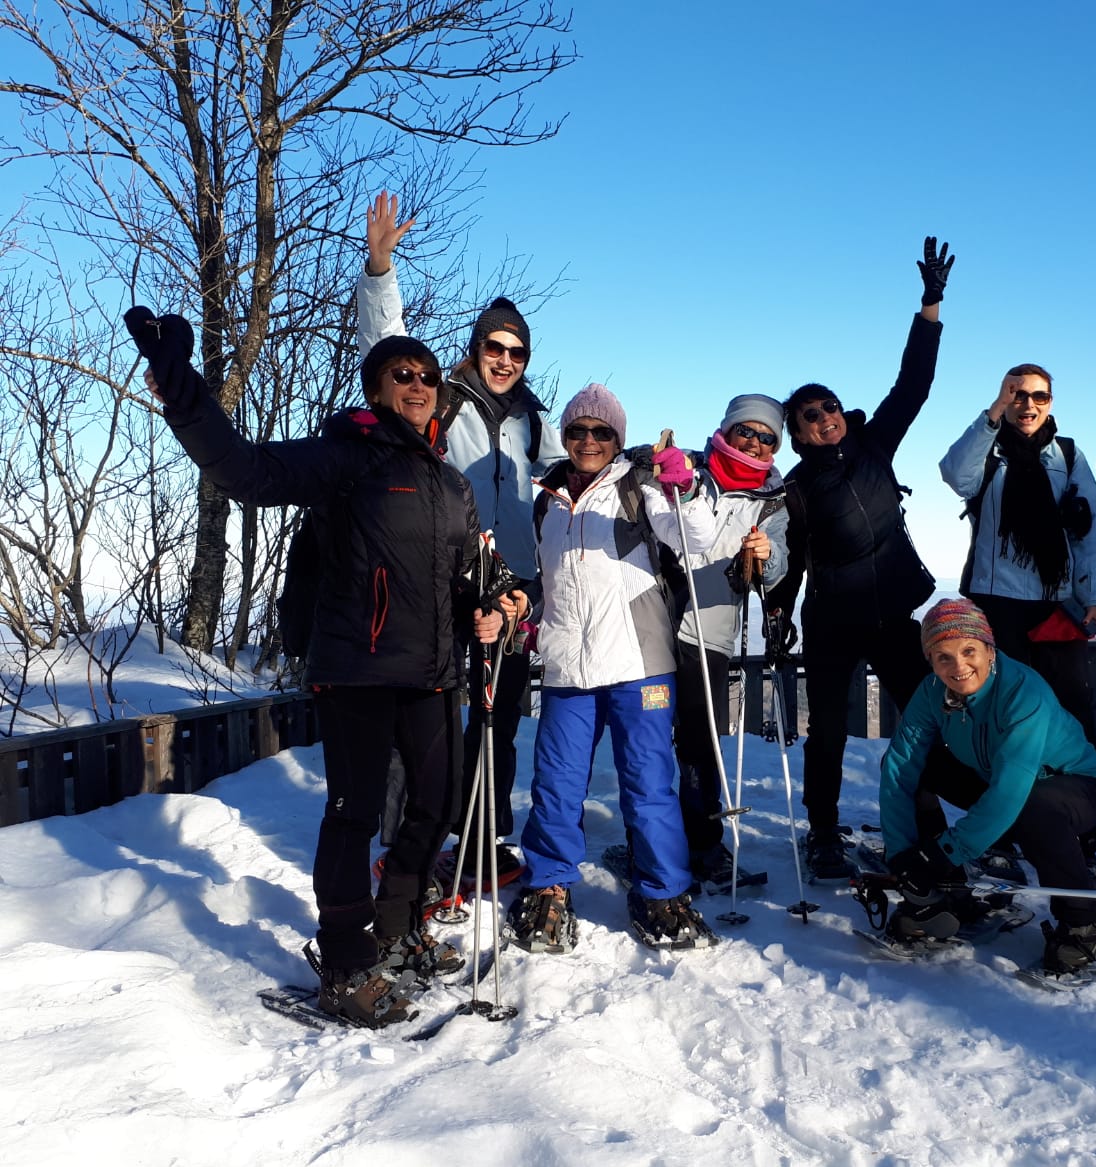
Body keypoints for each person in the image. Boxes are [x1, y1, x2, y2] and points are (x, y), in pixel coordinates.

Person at [124, 307, 506, 1028]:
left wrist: (502, 602)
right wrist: (183, 390)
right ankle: (344, 963)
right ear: (376, 387)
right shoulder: (347, 455)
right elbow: (244, 470)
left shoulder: (451, 485)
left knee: (434, 805)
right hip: (357, 667)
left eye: (428, 375)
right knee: (353, 812)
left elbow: (478, 574)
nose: (420, 384)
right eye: (403, 374)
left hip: (430, 673)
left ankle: (396, 929)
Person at [357, 191, 562, 886]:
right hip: (444, 580)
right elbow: (387, 353)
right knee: (432, 717)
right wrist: (380, 270)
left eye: (517, 351)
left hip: (512, 589)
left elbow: (591, 457)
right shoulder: (439, 397)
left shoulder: (533, 421)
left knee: (498, 721)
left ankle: (484, 836)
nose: (505, 359)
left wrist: (651, 465)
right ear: (475, 348)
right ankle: (403, 843)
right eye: (494, 346)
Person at [764, 236, 954, 881]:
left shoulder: (876, 446)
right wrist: (777, 613)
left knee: (924, 720)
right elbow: (788, 559)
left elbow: (914, 384)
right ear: (795, 432)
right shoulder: (794, 487)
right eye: (808, 417)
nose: (823, 420)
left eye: (828, 409)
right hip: (832, 620)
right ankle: (822, 833)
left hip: (893, 612)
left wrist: (928, 306)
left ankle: (931, 826)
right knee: (829, 735)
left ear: (843, 414)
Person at [506, 385, 720, 950]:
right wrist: (530, 619)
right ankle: (548, 885)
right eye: (578, 430)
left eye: (602, 432)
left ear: (618, 439)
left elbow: (694, 537)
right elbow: (541, 575)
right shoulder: (545, 496)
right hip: (566, 669)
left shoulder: (638, 484)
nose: (589, 441)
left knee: (649, 783)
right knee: (556, 783)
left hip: (638, 663)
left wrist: (686, 486)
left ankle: (662, 890)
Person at [939, 363, 1096, 885]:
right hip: (995, 605)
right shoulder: (988, 449)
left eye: (1038, 395)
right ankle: (1000, 830)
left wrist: (1094, 597)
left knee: (1068, 715)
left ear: (1052, 401)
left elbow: (1090, 531)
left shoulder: (1067, 455)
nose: (1028, 403)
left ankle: (1078, 833)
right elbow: (954, 475)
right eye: (1018, 394)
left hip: (1055, 603)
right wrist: (992, 411)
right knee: (993, 715)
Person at [878, 599, 1096, 974]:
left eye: (968, 651)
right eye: (943, 657)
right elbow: (898, 769)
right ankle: (941, 896)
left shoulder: (1023, 691)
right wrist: (903, 856)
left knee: (1033, 809)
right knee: (918, 767)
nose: (958, 667)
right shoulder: (931, 694)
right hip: (997, 780)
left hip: (1075, 785)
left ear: (990, 649)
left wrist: (944, 852)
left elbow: (1011, 789)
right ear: (931, 662)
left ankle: (1086, 920)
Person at [672, 395, 789, 889]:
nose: (756, 443)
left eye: (768, 438)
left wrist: (768, 555)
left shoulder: (774, 499)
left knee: (702, 747)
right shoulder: (691, 474)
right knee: (650, 745)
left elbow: (779, 563)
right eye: (747, 431)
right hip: (653, 623)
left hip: (711, 632)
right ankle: (655, 841)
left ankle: (703, 845)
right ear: (727, 429)